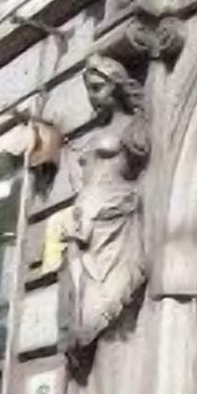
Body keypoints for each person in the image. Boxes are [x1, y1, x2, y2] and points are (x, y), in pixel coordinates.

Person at [58, 54, 150, 372]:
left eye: (98, 88)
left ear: (116, 86)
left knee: (106, 296)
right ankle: (81, 342)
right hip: (84, 221)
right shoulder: (94, 135)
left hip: (112, 219)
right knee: (78, 295)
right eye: (89, 89)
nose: (92, 97)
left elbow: (141, 162)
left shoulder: (133, 127)